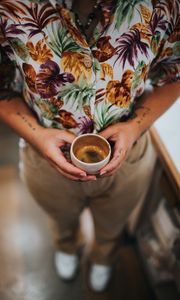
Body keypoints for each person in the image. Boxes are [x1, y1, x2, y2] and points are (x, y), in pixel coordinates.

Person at [0, 0, 179, 292]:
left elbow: (174, 76)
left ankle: (103, 256)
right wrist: (37, 135)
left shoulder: (164, 6)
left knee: (113, 223)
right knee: (60, 219)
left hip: (128, 158)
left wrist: (133, 128)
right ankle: (67, 246)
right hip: (43, 157)